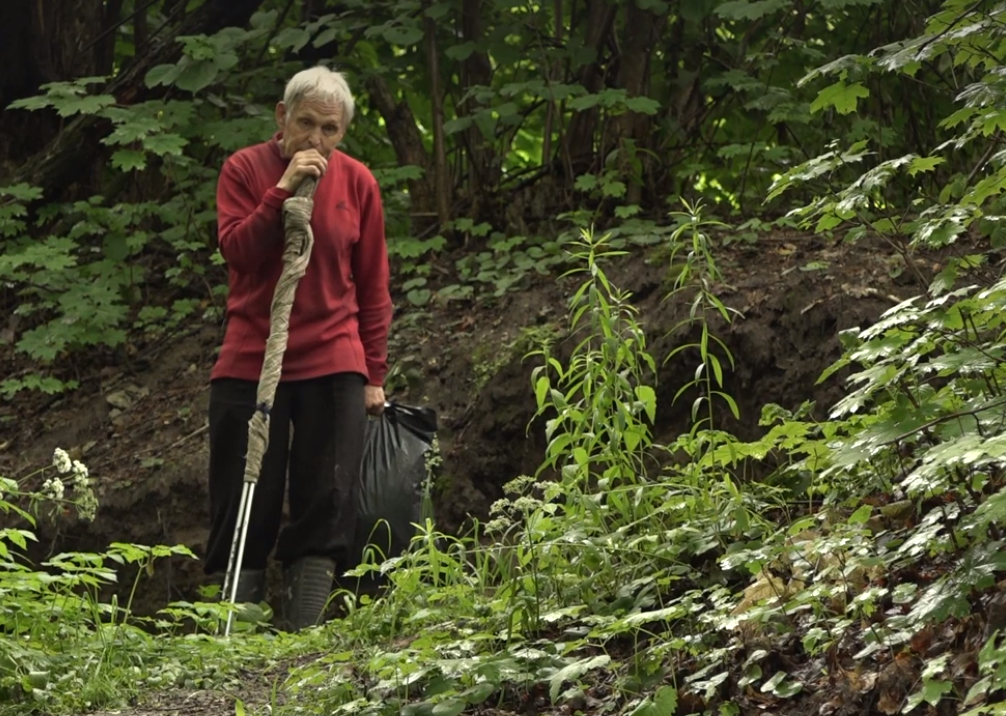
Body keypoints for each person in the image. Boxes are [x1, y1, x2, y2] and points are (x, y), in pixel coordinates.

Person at [202, 65, 392, 630]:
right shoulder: (243, 169)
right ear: (281, 118)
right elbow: (237, 250)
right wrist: (280, 192)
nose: (315, 140)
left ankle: (302, 632)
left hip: (334, 357)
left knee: (325, 496)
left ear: (343, 133)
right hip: (251, 358)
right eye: (305, 123)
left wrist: (374, 372)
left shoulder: (357, 183)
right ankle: (234, 631)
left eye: (329, 129)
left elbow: (374, 283)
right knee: (242, 496)